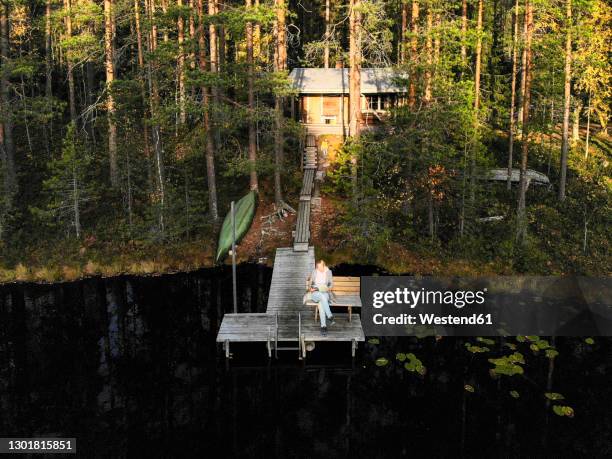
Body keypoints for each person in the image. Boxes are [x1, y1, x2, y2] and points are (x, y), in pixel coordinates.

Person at [308, 260, 335, 336]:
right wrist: (311, 288)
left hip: (325, 292)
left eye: (320, 267)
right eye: (317, 267)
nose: (318, 268)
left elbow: (331, 285)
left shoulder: (328, 272)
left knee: (321, 303)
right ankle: (329, 316)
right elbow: (310, 284)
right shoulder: (314, 272)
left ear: (324, 265)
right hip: (315, 293)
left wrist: (327, 288)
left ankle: (323, 326)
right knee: (322, 297)